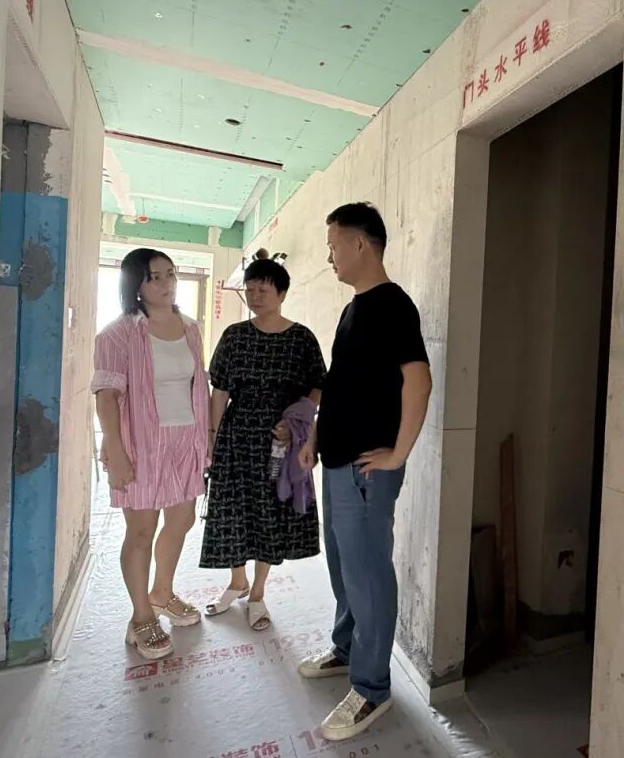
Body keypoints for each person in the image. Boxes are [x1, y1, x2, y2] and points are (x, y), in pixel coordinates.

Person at [296, 203, 433, 742]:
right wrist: (315, 437)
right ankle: (347, 648)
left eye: (333, 245)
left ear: (360, 243)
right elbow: (340, 386)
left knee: (368, 574)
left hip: (366, 470)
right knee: (344, 566)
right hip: (337, 463)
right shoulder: (354, 309)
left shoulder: (392, 305)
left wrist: (397, 454)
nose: (329, 256)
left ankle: (372, 688)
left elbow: (418, 381)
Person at [92, 248, 209, 660]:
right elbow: (106, 396)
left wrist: (206, 441)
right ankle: (141, 615)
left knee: (182, 519)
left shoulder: (191, 328)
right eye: (154, 276)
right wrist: (116, 451)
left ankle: (162, 592)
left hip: (185, 441)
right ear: (136, 285)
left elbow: (197, 386)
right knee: (141, 530)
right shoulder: (117, 334)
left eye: (170, 274)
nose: (166, 283)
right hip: (141, 443)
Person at [200, 253, 327, 631]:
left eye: (263, 290)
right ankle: (236, 581)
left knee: (270, 513)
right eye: (251, 290)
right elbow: (220, 391)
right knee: (232, 510)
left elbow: (319, 386)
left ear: (282, 294)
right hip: (237, 437)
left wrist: (297, 420)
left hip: (280, 442)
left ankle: (257, 593)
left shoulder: (301, 338)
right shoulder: (235, 336)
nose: (255, 296)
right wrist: (212, 438)